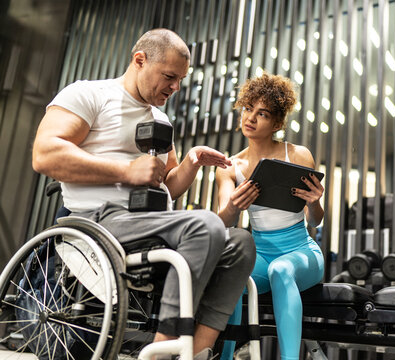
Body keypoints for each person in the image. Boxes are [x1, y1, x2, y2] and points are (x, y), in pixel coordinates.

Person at [32, 28, 256, 360]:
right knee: (205, 225)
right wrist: (124, 171)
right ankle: (162, 350)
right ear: (140, 60)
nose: (175, 87)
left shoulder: (160, 119)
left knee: (239, 242)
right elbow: (45, 155)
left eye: (180, 79)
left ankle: (197, 350)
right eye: (169, 76)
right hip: (101, 221)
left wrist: (191, 162)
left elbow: (170, 186)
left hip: (152, 224)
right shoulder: (90, 95)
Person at [215, 72, 325, 360]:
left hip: (302, 252)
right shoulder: (229, 166)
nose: (250, 117)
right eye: (247, 109)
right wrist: (234, 208)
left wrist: (315, 203)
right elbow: (223, 221)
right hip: (260, 253)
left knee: (281, 270)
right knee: (231, 277)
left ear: (277, 123)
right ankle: (227, 357)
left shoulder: (298, 155)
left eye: (262, 113)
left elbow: (316, 220)